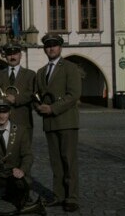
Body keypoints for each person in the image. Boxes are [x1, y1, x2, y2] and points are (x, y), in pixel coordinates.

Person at [35, 33, 81, 212]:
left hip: (67, 121)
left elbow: (73, 94)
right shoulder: (41, 72)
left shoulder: (70, 68)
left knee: (69, 160)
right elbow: (37, 95)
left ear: (60, 47)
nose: (51, 48)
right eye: (48, 46)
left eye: (54, 45)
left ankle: (72, 197)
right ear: (45, 49)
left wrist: (52, 108)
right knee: (55, 162)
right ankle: (59, 195)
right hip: (49, 123)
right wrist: (38, 107)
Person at [0, 41, 36, 140]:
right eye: (9, 54)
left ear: (20, 55)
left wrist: (16, 99)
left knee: (24, 153)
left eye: (15, 54)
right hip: (2, 122)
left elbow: (33, 94)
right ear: (5, 56)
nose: (12, 57)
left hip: (24, 121)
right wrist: (4, 99)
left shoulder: (30, 74)